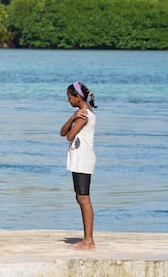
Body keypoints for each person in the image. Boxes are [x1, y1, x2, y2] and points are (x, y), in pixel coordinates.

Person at [60, 80, 97, 250]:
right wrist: (72, 117)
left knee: (84, 198)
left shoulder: (85, 115)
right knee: (80, 197)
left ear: (77, 97)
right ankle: (87, 237)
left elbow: (69, 136)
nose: (68, 101)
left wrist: (74, 118)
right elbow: (62, 132)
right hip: (79, 159)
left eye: (69, 98)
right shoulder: (80, 114)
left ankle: (89, 240)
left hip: (84, 159)